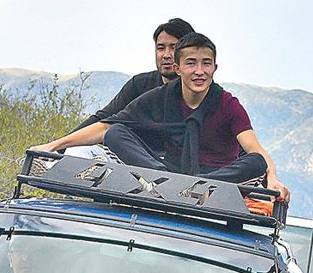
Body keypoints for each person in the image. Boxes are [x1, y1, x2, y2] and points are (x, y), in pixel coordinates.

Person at [34, 33, 290, 201]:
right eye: (191, 63)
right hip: (165, 173)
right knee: (116, 132)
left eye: (206, 63)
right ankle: (165, 182)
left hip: (213, 179)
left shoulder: (227, 104)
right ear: (178, 69)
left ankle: (193, 186)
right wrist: (55, 146)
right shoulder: (161, 97)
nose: (199, 71)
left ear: (215, 67)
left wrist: (273, 179)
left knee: (256, 162)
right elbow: (105, 127)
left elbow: (255, 149)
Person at [45, 18, 194, 150]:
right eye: (161, 48)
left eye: (173, 47)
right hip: (138, 159)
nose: (166, 55)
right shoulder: (140, 85)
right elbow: (104, 119)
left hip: (183, 167)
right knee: (105, 137)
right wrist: (58, 147)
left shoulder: (201, 92)